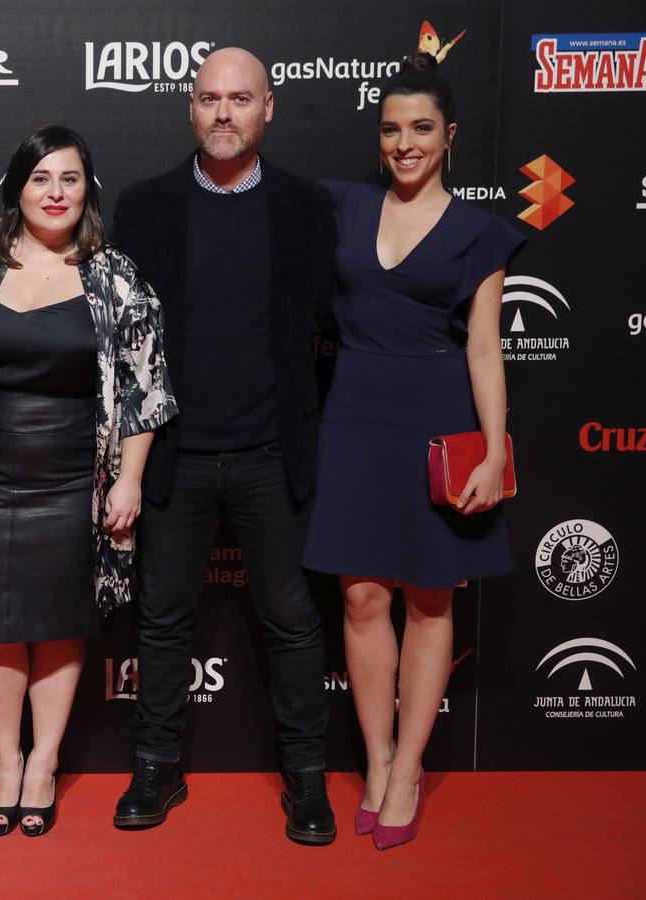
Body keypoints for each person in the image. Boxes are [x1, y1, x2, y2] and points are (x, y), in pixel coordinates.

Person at [108, 47, 339, 844]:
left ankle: (306, 781)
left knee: (291, 618)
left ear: (268, 108)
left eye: (240, 99)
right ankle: (154, 766)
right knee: (163, 618)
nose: (223, 113)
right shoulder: (143, 209)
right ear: (189, 107)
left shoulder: (308, 207)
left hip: (272, 451)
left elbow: (328, 332)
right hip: (174, 451)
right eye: (208, 98)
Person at [0, 124, 176, 838]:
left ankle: (45, 762)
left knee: (61, 624)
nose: (54, 192)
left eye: (69, 178)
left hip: (77, 480)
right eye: (40, 178)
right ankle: (6, 761)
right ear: (15, 187)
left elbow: (144, 389)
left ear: (86, 189)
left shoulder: (113, 275)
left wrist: (127, 481)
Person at [301, 52, 523, 851]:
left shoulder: (478, 232)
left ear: (449, 136)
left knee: (430, 600)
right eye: (391, 128)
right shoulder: (341, 207)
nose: (404, 143)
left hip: (438, 417)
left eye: (421, 128)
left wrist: (494, 451)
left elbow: (485, 352)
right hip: (353, 414)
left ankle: (409, 769)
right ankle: (378, 754)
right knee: (361, 598)